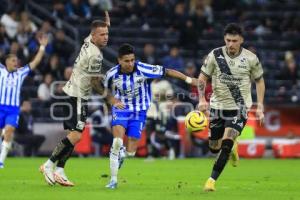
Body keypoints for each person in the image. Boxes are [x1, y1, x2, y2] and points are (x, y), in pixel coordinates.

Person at [39, 11, 123, 187]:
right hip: (77, 95)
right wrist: (111, 99)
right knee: (76, 136)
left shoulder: (88, 40)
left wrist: (106, 24)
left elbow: (96, 30)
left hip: (74, 93)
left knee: (74, 134)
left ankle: (60, 170)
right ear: (94, 36)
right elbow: (94, 83)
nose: (106, 37)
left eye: (107, 34)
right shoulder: (95, 55)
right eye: (102, 34)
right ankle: (48, 165)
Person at [104, 43, 198, 189]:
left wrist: (190, 80)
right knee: (117, 142)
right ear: (119, 60)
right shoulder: (111, 73)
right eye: (126, 61)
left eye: (132, 60)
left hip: (140, 111)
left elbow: (168, 72)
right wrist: (110, 102)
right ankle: (113, 180)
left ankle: (123, 155)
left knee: (131, 152)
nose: (130, 63)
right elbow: (102, 89)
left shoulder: (143, 69)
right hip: (121, 109)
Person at [197, 23, 265, 192]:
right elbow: (202, 78)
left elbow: (260, 81)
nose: (231, 44)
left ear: (241, 40)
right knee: (214, 147)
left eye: (234, 41)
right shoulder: (215, 55)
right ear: (224, 39)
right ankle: (233, 147)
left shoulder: (251, 58)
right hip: (217, 106)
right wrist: (201, 99)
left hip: (240, 107)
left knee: (226, 144)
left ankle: (211, 180)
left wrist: (261, 106)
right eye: (228, 40)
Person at [0, 34, 48, 168]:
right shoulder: (1, 70)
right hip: (0, 107)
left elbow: (35, 62)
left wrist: (42, 47)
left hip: (13, 110)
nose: (16, 63)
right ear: (7, 62)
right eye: (14, 60)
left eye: (17, 61)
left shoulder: (20, 73)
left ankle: (1, 161)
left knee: (9, 131)